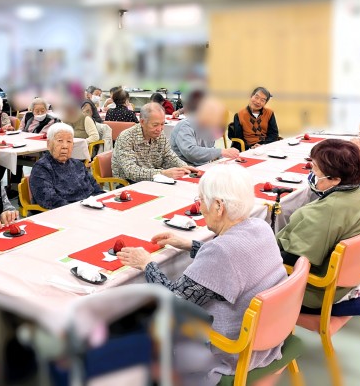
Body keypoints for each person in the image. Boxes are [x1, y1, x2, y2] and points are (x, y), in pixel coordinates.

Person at [118, 164, 287, 385]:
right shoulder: (260, 226)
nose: (200, 207)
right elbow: (234, 261)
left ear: (218, 206)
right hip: (270, 337)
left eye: (201, 200)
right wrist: (189, 244)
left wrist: (146, 263)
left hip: (233, 351)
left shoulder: (221, 252)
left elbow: (173, 301)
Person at [277, 139, 360, 309]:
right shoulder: (357, 193)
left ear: (335, 179)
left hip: (318, 290)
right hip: (348, 280)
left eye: (315, 168)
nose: (312, 172)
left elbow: (294, 256)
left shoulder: (324, 212)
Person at [112, 103, 198, 183]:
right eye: (155, 125)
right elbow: (131, 171)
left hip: (153, 179)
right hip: (128, 183)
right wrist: (162, 173)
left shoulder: (159, 135)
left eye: (162, 124)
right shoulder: (127, 138)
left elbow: (168, 156)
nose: (160, 129)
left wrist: (183, 167)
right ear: (142, 122)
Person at [29, 123, 104, 209]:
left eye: (69, 141)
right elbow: (49, 200)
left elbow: (96, 189)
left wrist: (102, 202)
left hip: (90, 208)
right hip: (64, 213)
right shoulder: (42, 168)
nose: (65, 146)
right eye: (60, 141)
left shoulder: (78, 164)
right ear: (49, 144)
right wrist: (79, 210)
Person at [170, 98, 240, 166]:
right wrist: (221, 152)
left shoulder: (209, 126)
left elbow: (210, 148)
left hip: (203, 165)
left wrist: (227, 156)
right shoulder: (185, 126)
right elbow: (191, 152)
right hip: (185, 167)